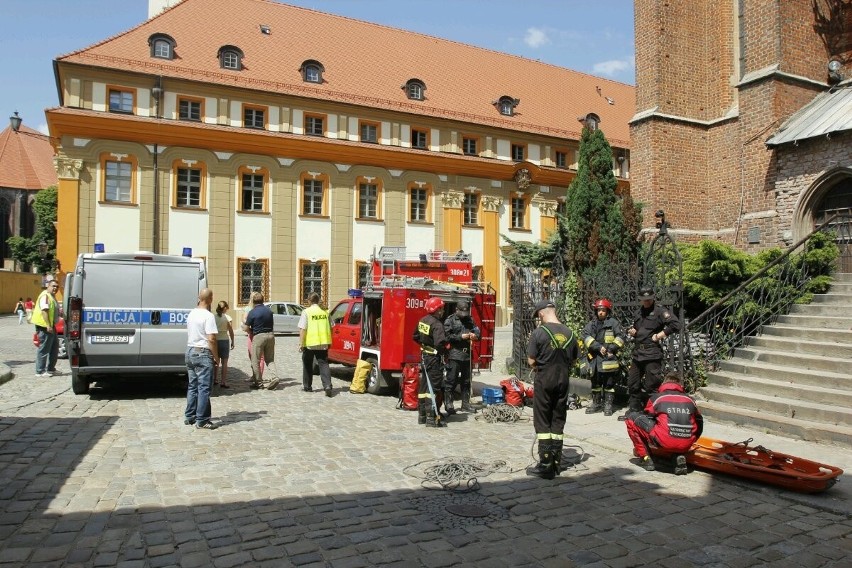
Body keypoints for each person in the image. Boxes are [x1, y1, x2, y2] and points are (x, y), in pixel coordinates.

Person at [525, 299, 579, 479]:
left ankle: (545, 464)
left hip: (544, 379)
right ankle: (557, 462)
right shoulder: (570, 333)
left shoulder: (539, 333)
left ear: (541, 313)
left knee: (542, 421)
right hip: (563, 380)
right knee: (558, 418)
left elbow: (531, 361)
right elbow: (574, 360)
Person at [619, 287, 680, 421]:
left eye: (648, 299)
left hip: (652, 352)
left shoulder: (660, 311)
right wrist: (633, 331)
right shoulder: (638, 312)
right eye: (643, 300)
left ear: (652, 298)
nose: (646, 302)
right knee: (632, 383)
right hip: (638, 352)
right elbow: (637, 328)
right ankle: (634, 410)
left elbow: (676, 324)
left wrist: (660, 335)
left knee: (652, 385)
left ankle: (652, 412)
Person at [625, 371, 703, 474]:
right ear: (680, 385)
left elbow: (648, 416)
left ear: (664, 383)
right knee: (673, 434)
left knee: (631, 419)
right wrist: (692, 439)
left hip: (664, 440)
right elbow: (700, 422)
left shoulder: (657, 398)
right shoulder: (690, 400)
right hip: (687, 443)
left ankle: (646, 458)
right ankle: (677, 456)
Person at [581, 298, 625, 416]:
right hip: (595, 359)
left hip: (608, 359)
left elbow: (621, 337)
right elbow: (585, 336)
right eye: (599, 310)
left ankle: (608, 405)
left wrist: (612, 348)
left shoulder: (613, 323)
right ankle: (596, 404)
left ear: (607, 311)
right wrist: (597, 346)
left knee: (609, 384)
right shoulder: (591, 324)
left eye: (603, 310)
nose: (600, 312)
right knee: (595, 383)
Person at [184, 288, 219, 429]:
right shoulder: (208, 316)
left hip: (190, 350)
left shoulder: (191, 313)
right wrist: (216, 357)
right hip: (202, 352)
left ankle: (190, 416)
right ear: (210, 299)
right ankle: (202, 420)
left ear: (199, 298)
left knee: (193, 386)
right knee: (204, 388)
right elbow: (211, 339)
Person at [412, 296, 449, 427]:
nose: (443, 311)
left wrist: (424, 345)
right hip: (434, 359)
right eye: (441, 309)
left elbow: (415, 336)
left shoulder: (423, 321)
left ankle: (421, 416)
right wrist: (445, 351)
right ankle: (431, 418)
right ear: (437, 310)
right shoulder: (437, 324)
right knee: (433, 388)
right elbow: (440, 343)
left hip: (424, 357)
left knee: (423, 387)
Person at [443, 301, 480, 413]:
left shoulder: (470, 320)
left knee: (466, 381)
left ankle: (465, 404)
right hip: (455, 354)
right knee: (451, 380)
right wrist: (460, 337)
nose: (464, 315)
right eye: (462, 312)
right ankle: (449, 404)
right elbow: (447, 336)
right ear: (457, 310)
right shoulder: (450, 320)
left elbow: (478, 332)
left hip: (467, 355)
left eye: (465, 312)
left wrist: (475, 336)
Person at [242, 291, 279, 390]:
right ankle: (274, 377)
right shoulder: (269, 311)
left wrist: (250, 331)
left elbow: (246, 328)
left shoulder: (252, 312)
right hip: (271, 335)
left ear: (253, 301)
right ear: (263, 300)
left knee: (255, 360)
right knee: (270, 359)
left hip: (258, 336)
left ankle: (258, 383)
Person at [299, 292, 333, 397]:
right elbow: (331, 327)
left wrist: (301, 343)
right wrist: (329, 341)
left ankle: (307, 386)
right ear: (318, 300)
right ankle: (327, 385)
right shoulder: (325, 312)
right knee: (323, 364)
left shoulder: (306, 312)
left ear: (309, 301)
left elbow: (303, 329)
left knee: (307, 364)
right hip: (323, 342)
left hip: (310, 343)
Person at [31, 281, 61, 377]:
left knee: (54, 348)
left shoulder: (52, 296)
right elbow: (44, 311)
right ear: (48, 286)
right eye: (53, 286)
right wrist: (48, 325)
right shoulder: (45, 296)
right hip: (44, 326)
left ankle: (51, 369)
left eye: (57, 286)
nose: (55, 288)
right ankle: (40, 371)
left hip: (51, 326)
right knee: (44, 349)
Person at [242, 294, 265, 378]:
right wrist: (249, 321)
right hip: (250, 333)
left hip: (257, 333)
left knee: (260, 357)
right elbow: (244, 319)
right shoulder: (248, 309)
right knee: (251, 355)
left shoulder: (261, 309)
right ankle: (254, 375)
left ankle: (258, 376)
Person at [213, 301, 235, 388]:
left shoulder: (213, 317)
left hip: (215, 340)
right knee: (224, 362)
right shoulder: (227, 317)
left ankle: (215, 379)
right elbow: (231, 330)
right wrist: (233, 340)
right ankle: (223, 381)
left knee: (215, 361)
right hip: (224, 340)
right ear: (225, 308)